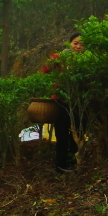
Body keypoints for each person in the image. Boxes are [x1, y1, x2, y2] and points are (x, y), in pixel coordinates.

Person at [40, 32, 84, 172]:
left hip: (80, 101)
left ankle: (75, 161)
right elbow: (45, 70)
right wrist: (57, 59)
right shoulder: (62, 57)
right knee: (62, 132)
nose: (78, 46)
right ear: (70, 43)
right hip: (61, 100)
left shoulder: (88, 60)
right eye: (75, 43)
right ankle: (61, 165)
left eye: (82, 44)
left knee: (78, 133)